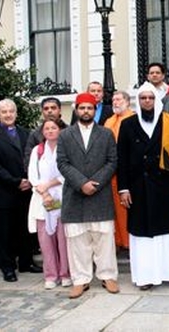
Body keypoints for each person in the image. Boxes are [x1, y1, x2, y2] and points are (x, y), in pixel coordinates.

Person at [118, 83, 169, 290]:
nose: (147, 101)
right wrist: (123, 188)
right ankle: (145, 276)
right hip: (138, 188)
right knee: (141, 233)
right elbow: (122, 159)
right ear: (138, 101)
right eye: (143, 98)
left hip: (164, 186)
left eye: (151, 98)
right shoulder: (128, 124)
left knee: (167, 231)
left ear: (157, 100)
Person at [57, 92, 119, 299]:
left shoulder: (106, 134)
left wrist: (95, 183)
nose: (86, 111)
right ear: (76, 110)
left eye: (89, 108)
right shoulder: (65, 135)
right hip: (75, 194)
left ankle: (107, 275)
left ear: (95, 110)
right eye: (82, 108)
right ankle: (80, 280)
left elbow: (112, 161)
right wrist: (81, 183)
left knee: (104, 239)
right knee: (77, 240)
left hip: (100, 194)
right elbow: (62, 163)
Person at [0, 99, 41, 283]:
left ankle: (26, 262)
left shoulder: (26, 133)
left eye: (11, 111)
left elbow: (33, 159)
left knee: (25, 229)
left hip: (25, 190)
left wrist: (29, 180)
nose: (8, 114)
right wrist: (16, 181)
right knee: (5, 231)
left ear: (16, 113)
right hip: (3, 191)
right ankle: (7, 267)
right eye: (4, 112)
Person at [27, 117, 70, 290]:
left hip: (62, 197)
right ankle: (51, 275)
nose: (50, 131)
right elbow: (32, 175)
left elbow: (68, 172)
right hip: (42, 200)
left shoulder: (66, 149)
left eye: (53, 128)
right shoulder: (37, 150)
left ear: (60, 130)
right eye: (47, 129)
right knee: (45, 240)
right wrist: (43, 192)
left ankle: (65, 274)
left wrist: (50, 185)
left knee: (63, 239)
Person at [104, 90, 135, 250]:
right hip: (111, 172)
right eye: (113, 100)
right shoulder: (109, 121)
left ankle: (130, 242)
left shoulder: (133, 118)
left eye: (119, 99)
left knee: (128, 209)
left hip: (128, 171)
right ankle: (118, 241)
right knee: (115, 209)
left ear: (127, 102)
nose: (115, 102)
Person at [24, 97, 66, 169]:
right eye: (46, 109)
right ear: (42, 112)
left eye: (53, 108)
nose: (49, 111)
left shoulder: (70, 131)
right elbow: (29, 159)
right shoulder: (35, 134)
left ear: (60, 110)